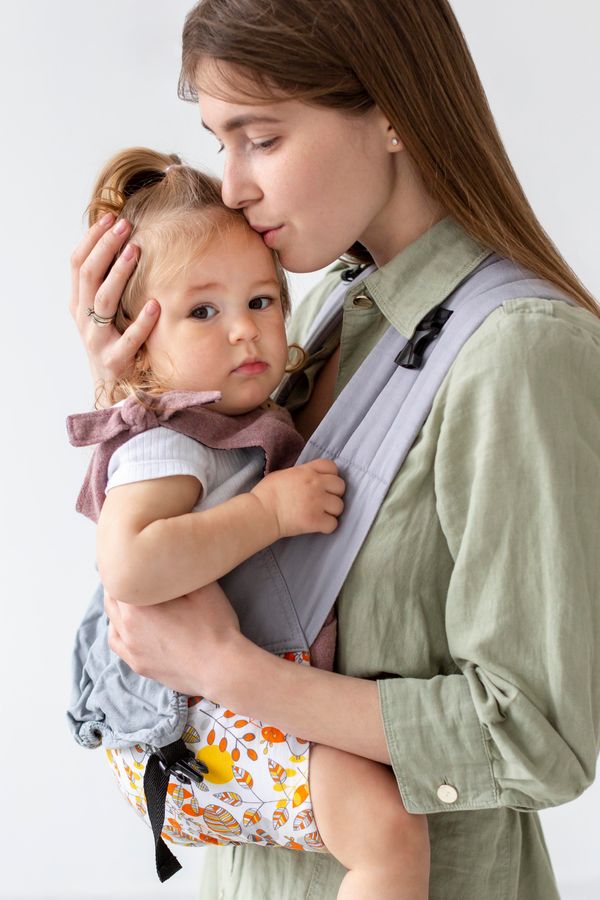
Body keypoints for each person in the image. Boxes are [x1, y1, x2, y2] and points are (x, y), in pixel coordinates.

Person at [69, 1, 600, 898]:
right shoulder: (322, 321)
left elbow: (537, 736)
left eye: (261, 139)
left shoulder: (516, 349)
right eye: (218, 141)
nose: (231, 185)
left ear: (392, 111)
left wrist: (228, 671)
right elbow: (195, 538)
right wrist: (132, 391)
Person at [69, 146, 430, 899]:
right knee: (389, 836)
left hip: (227, 710)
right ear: (140, 348)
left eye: (261, 301)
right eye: (204, 311)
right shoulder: (168, 444)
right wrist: (265, 513)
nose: (243, 330)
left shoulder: (242, 419)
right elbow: (129, 563)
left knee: (385, 832)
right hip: (189, 724)